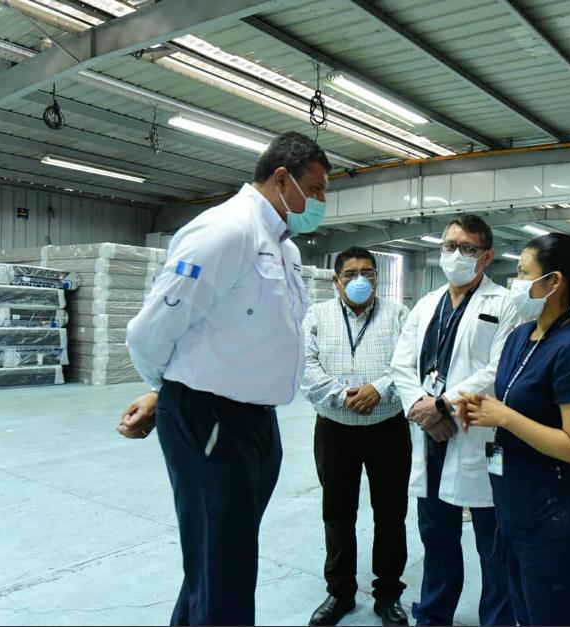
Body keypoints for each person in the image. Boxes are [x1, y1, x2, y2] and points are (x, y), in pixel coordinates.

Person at [123, 131, 331, 626]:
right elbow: (152, 328)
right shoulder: (226, 231)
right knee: (225, 566)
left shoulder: (283, 248)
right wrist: (165, 389)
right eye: (317, 189)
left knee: (219, 558)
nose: (322, 202)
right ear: (283, 179)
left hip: (254, 423)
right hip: (211, 418)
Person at [456, 232, 570, 626]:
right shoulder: (521, 338)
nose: (516, 284)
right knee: (524, 612)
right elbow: (517, 401)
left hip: (553, 513)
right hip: (513, 504)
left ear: (553, 282)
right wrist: (482, 408)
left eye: (523, 274)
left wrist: (505, 417)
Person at [390, 215, 518, 627]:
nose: (456, 255)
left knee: (493, 543)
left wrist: (443, 405)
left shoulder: (505, 305)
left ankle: (497, 620)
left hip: (479, 435)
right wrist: (425, 411)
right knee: (437, 538)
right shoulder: (425, 305)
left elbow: (500, 371)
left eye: (466, 248)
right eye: (450, 246)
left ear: (487, 255)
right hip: (432, 436)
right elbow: (401, 364)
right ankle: (433, 616)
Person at [300, 247, 411, 627]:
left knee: (391, 513)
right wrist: (343, 395)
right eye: (350, 273)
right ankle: (340, 592)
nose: (360, 280)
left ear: (378, 277)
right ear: (336, 280)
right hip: (335, 430)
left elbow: (410, 365)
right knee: (337, 513)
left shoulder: (398, 315)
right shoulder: (317, 315)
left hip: (388, 428)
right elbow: (306, 366)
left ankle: (389, 594)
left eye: (368, 272)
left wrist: (379, 389)